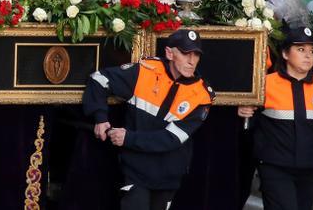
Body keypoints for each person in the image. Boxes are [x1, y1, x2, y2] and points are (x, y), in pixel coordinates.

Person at [83, 28, 214, 210]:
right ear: (169, 53)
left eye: (196, 55)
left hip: (168, 177)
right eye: (185, 54)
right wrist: (100, 117)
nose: (192, 61)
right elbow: (98, 79)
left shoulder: (202, 96)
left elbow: (171, 139)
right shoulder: (145, 72)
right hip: (135, 173)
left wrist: (127, 138)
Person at [238, 26, 313, 210]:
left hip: (309, 168)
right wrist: (243, 113)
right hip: (275, 168)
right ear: (285, 54)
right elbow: (249, 126)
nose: (308, 56)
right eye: (301, 50)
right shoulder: (264, 85)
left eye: (311, 51)